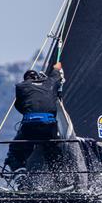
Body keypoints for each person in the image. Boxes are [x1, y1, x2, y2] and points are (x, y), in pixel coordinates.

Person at [5, 61, 79, 190]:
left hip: (30, 126)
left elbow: (20, 106)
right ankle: (64, 182)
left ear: (26, 79)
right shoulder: (49, 82)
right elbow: (57, 69)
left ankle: (22, 181)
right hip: (49, 126)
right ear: (38, 77)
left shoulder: (21, 86)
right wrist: (58, 65)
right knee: (53, 151)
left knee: (15, 150)